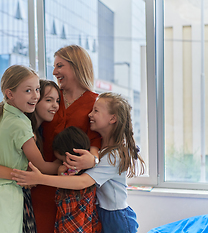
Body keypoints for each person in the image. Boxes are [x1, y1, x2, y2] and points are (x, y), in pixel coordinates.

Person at [12, 92, 146, 233]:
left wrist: (39, 178)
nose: (90, 114)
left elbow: (83, 182)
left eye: (96, 111)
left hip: (116, 217)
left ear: (112, 118)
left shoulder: (114, 155)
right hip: (102, 212)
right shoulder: (101, 149)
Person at [0, 65, 61, 233]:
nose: (35, 96)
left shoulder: (1, 111)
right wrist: (64, 164)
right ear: (10, 94)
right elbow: (42, 167)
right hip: (6, 196)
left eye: (37, 90)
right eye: (28, 91)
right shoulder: (20, 123)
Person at [31, 44, 102, 233]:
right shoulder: (49, 96)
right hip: (40, 183)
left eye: (59, 65)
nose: (54, 71)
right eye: (54, 66)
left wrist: (92, 159)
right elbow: (18, 120)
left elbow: (98, 140)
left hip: (74, 190)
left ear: (76, 65)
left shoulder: (96, 102)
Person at [51, 126, 102, 233]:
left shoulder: (74, 180)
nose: (62, 165)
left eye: (62, 161)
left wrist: (60, 176)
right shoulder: (90, 174)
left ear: (71, 157)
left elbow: (64, 207)